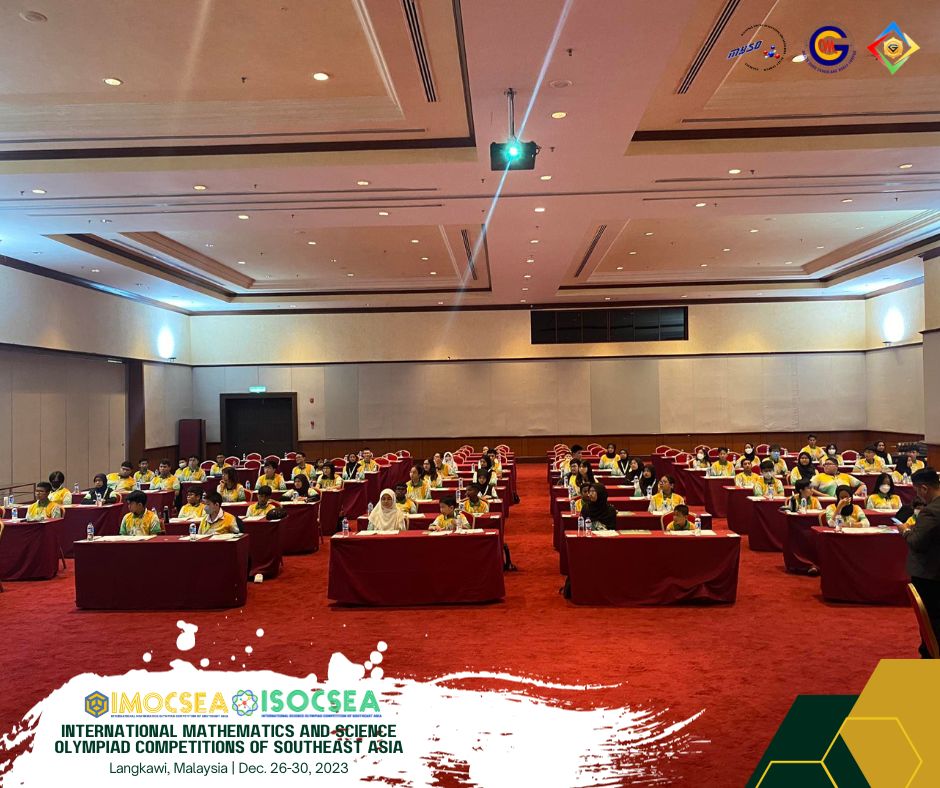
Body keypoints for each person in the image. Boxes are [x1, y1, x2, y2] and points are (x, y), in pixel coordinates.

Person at [899, 468, 940, 657]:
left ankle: (931, 657)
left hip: (929, 574)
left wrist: (906, 532)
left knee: (930, 622)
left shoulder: (930, 512)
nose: (917, 495)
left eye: (917, 490)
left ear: (924, 488)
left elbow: (917, 542)